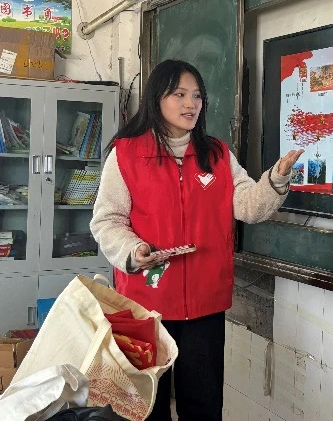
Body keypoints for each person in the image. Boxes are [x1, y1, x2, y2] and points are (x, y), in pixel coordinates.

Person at [90, 59, 303, 421]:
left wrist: (276, 179)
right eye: (180, 94)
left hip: (205, 304)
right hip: (144, 306)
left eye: (197, 96)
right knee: (146, 407)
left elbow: (249, 207)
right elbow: (107, 220)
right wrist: (132, 250)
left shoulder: (216, 155)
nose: (191, 104)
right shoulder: (126, 154)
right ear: (157, 98)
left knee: (203, 406)